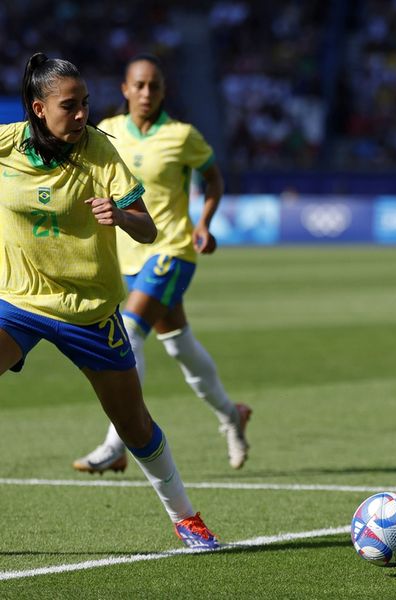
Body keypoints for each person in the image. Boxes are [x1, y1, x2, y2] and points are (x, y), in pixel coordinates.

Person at [1, 53, 218, 549]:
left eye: (86, 104)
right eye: (69, 106)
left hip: (89, 313)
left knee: (134, 426)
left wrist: (120, 217)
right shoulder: (6, 143)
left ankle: (185, 516)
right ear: (38, 108)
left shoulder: (99, 150)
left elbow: (148, 228)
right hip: (18, 303)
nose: (81, 115)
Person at [72, 54, 251, 474]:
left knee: (129, 333)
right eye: (139, 85)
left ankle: (116, 444)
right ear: (124, 89)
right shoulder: (108, 132)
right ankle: (231, 415)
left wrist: (204, 222)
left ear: (163, 90)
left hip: (171, 250)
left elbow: (214, 179)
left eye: (154, 86)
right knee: (180, 345)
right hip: (126, 255)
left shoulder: (181, 135)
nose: (147, 93)